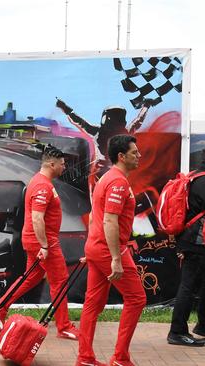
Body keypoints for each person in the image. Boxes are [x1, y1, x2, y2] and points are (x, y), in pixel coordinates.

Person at [76, 135, 146, 366]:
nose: (139, 156)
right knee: (136, 299)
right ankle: (120, 358)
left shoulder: (107, 178)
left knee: (93, 303)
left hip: (98, 247)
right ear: (121, 156)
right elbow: (109, 220)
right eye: (134, 152)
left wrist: (93, 249)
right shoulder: (117, 182)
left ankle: (85, 358)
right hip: (108, 250)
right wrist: (116, 257)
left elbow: (98, 216)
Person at [0, 146, 79, 340]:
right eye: (62, 164)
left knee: (30, 277)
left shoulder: (41, 182)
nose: (64, 167)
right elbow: (37, 218)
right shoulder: (42, 185)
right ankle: (64, 326)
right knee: (59, 281)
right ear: (52, 164)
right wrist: (44, 245)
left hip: (37, 240)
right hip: (43, 241)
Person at [167, 143, 205, 346]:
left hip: (198, 242)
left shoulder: (199, 176)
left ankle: (203, 325)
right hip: (196, 243)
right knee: (188, 286)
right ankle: (177, 332)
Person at [55, 99, 149, 192]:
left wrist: (66, 109)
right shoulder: (124, 133)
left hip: (102, 172)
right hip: (113, 172)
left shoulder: (99, 132)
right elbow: (138, 121)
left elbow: (80, 122)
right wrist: (146, 107)